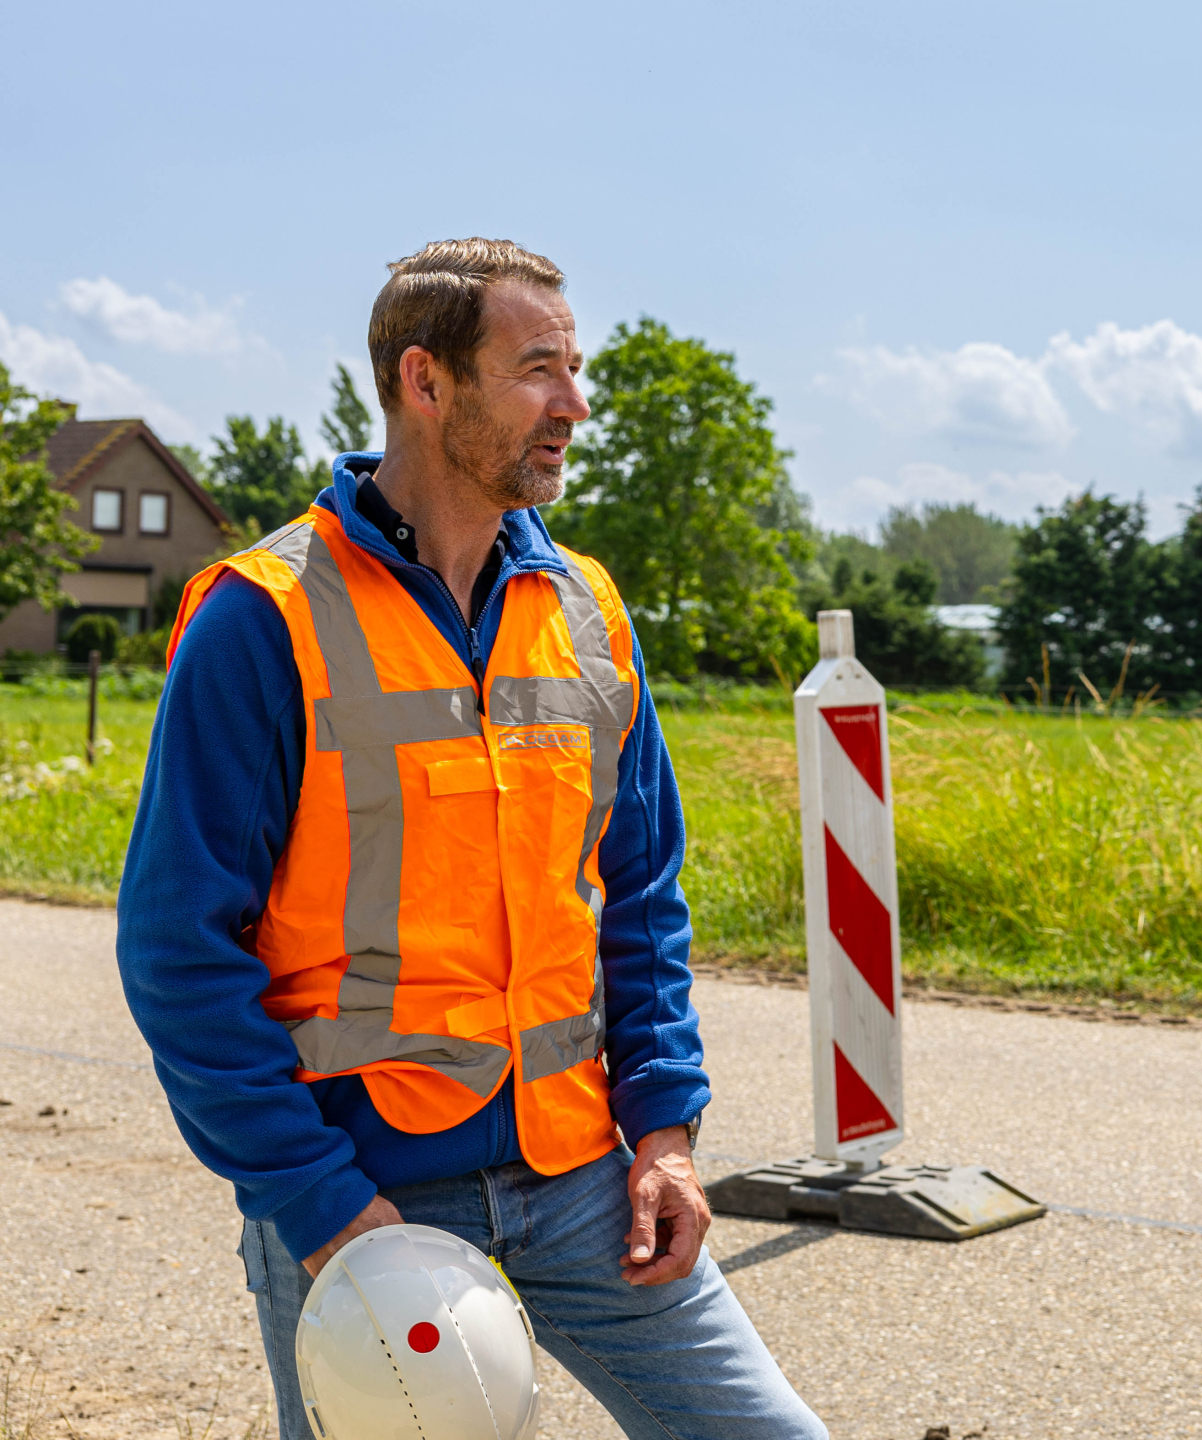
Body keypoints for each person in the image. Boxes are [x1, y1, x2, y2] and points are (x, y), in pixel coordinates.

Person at [116, 239, 825, 1440]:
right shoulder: (263, 618)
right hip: (367, 1205)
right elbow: (178, 949)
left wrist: (664, 1132)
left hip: (586, 1182)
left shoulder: (588, 612)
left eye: (574, 367)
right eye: (538, 367)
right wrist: (321, 1206)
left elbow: (638, 896)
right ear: (425, 382)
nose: (574, 404)